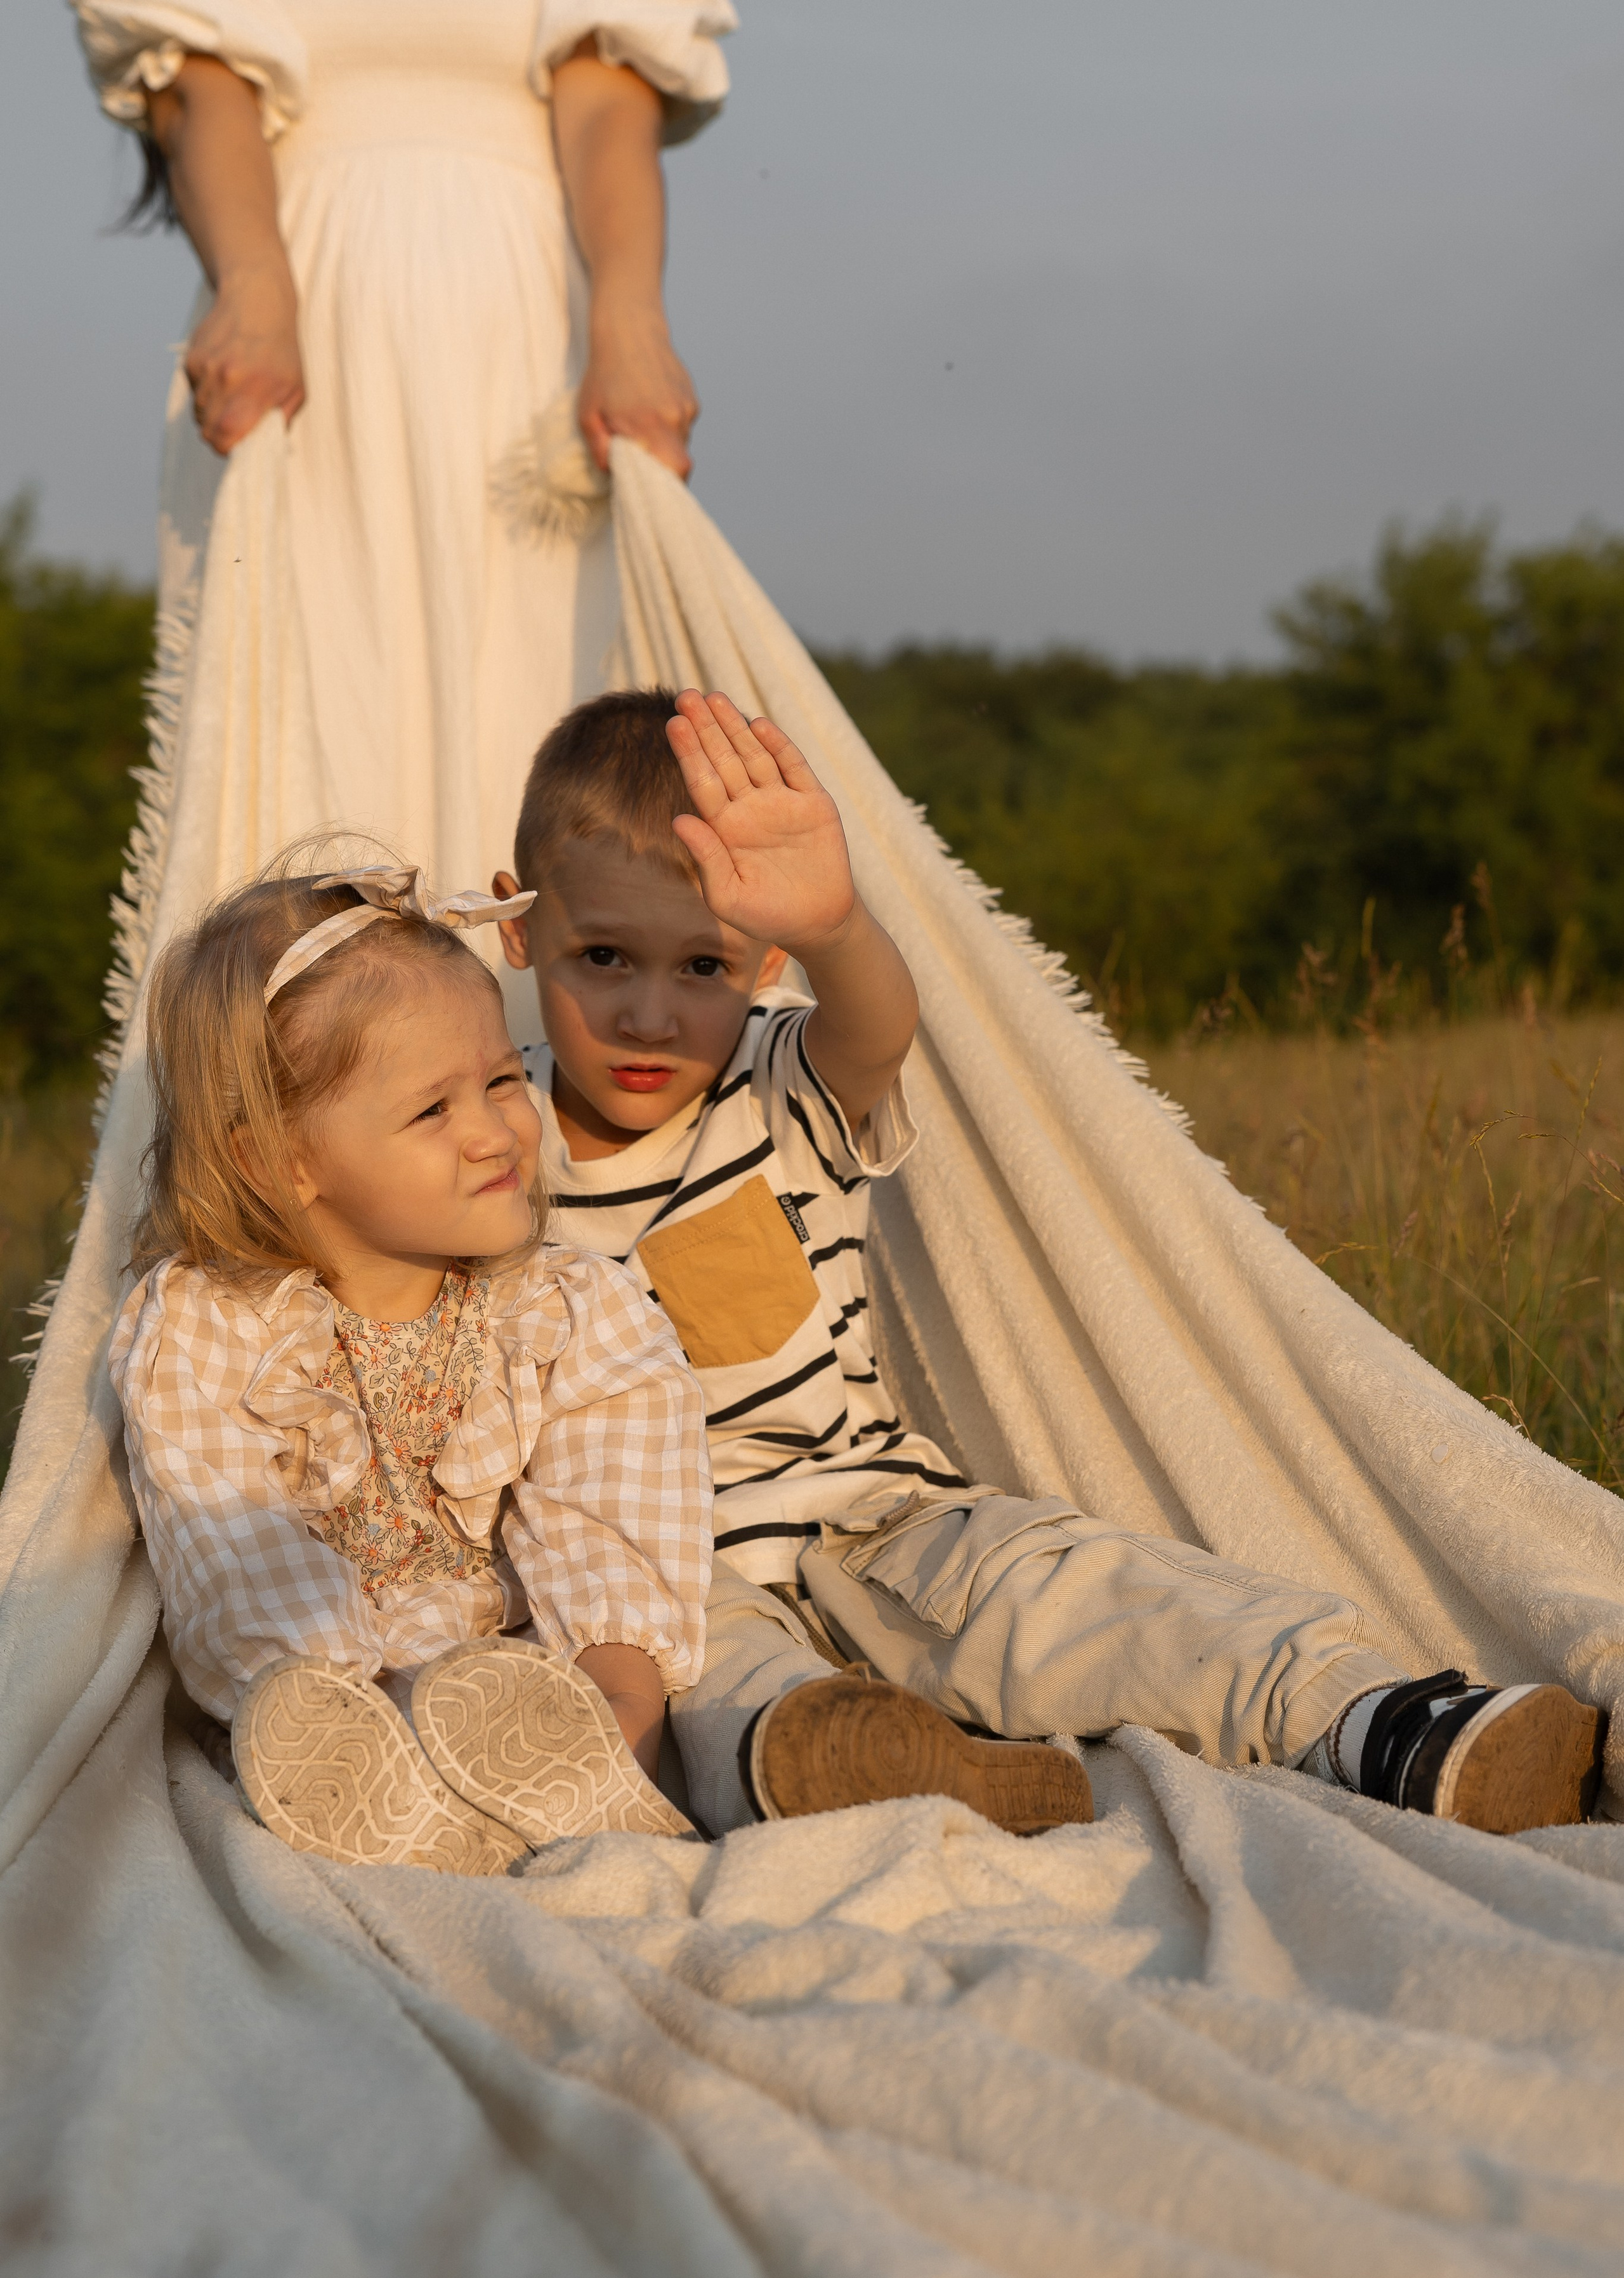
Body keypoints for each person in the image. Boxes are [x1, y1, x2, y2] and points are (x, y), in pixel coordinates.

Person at [493, 685, 1608, 1840]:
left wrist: (837, 930)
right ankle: (872, 1770)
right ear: (517, 926)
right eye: (606, 957)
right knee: (707, 1699)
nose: (650, 1015)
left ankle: (1393, 1726)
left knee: (1092, 1594)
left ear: (766, 963)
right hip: (663, 1576)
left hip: (878, 1521)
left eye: (703, 970)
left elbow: (874, 1029)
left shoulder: (768, 1084)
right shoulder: (483, 1140)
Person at [70, 0, 732, 977]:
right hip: (295, 334)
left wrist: (632, 321)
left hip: (529, 344)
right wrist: (253, 284)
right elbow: (198, 90)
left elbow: (607, 99)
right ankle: (296, 1094)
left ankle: (554, 1095)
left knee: (549, 732)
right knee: (303, 735)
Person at [109, 859, 712, 1872]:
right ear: (281, 1164)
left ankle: (595, 1789)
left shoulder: (565, 1306)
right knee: (302, 1707)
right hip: (330, 1716)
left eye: (502, 1081)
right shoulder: (207, 1326)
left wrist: (614, 1707)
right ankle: (400, 1814)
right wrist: (337, 1707)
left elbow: (612, 1518)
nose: (495, 1133)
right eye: (433, 1111)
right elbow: (232, 1551)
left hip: (525, 1701)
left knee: (573, 1695)